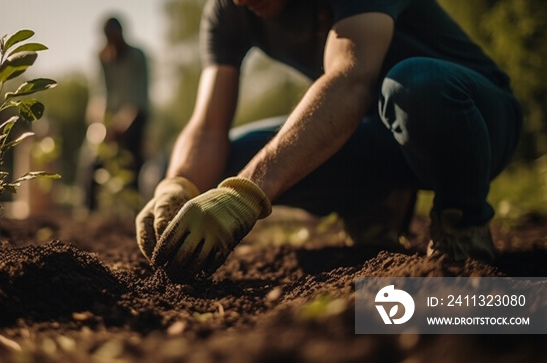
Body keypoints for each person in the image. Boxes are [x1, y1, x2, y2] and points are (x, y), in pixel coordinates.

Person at [136, 0, 523, 281]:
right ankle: (376, 199)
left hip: (472, 121)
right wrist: (179, 185)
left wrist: (245, 194)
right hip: (380, 133)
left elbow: (349, 80)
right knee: (234, 157)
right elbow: (208, 127)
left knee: (412, 85)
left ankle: (463, 224)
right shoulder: (230, 10)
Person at [83, 16, 149, 210]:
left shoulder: (137, 56)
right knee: (91, 158)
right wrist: (103, 124)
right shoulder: (101, 58)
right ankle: (88, 211)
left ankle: (136, 209)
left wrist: (122, 124)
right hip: (108, 120)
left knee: (133, 159)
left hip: (135, 117)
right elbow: (100, 93)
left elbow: (138, 96)